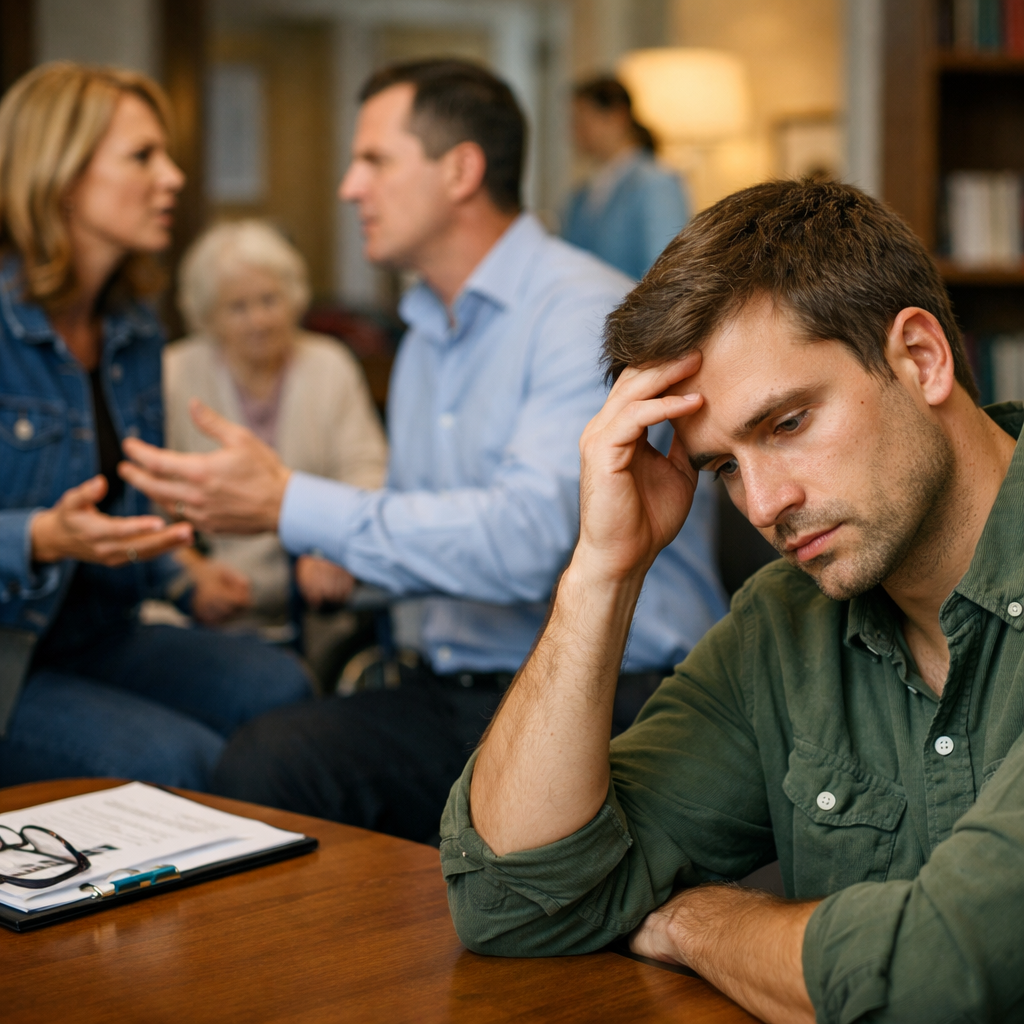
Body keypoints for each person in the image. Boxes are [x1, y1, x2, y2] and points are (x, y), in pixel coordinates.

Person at [441, 178, 1024, 1023]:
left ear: (922, 358)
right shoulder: (783, 624)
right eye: (723, 468)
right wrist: (604, 571)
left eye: (787, 424)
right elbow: (512, 897)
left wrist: (698, 923)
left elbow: (938, 973)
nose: (762, 505)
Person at [120, 59, 726, 843]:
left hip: (612, 691)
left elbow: (522, 548)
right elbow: (426, 519)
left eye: (373, 159)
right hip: (459, 688)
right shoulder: (426, 332)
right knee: (266, 764)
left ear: (460, 170)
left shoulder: (581, 312)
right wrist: (350, 562)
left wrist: (290, 504)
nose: (348, 186)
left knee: (280, 768)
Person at [0, 63, 311, 792]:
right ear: (64, 174)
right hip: (10, 662)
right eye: (142, 157)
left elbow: (123, 509)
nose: (172, 177)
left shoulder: (134, 330)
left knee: (284, 694)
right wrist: (37, 538)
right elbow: (62, 529)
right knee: (176, 761)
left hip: (97, 635)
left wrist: (183, 571)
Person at [164, 219, 387, 635]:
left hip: (316, 605)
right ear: (209, 317)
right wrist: (191, 574)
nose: (259, 321)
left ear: (293, 298)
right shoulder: (175, 373)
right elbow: (150, 502)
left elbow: (367, 469)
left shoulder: (329, 364)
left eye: (270, 300)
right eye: (238, 307)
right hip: (202, 610)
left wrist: (334, 543)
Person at [561, 77, 689, 280]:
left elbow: (667, 273)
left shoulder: (656, 183)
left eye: (582, 120)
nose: (574, 132)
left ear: (617, 117)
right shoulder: (582, 193)